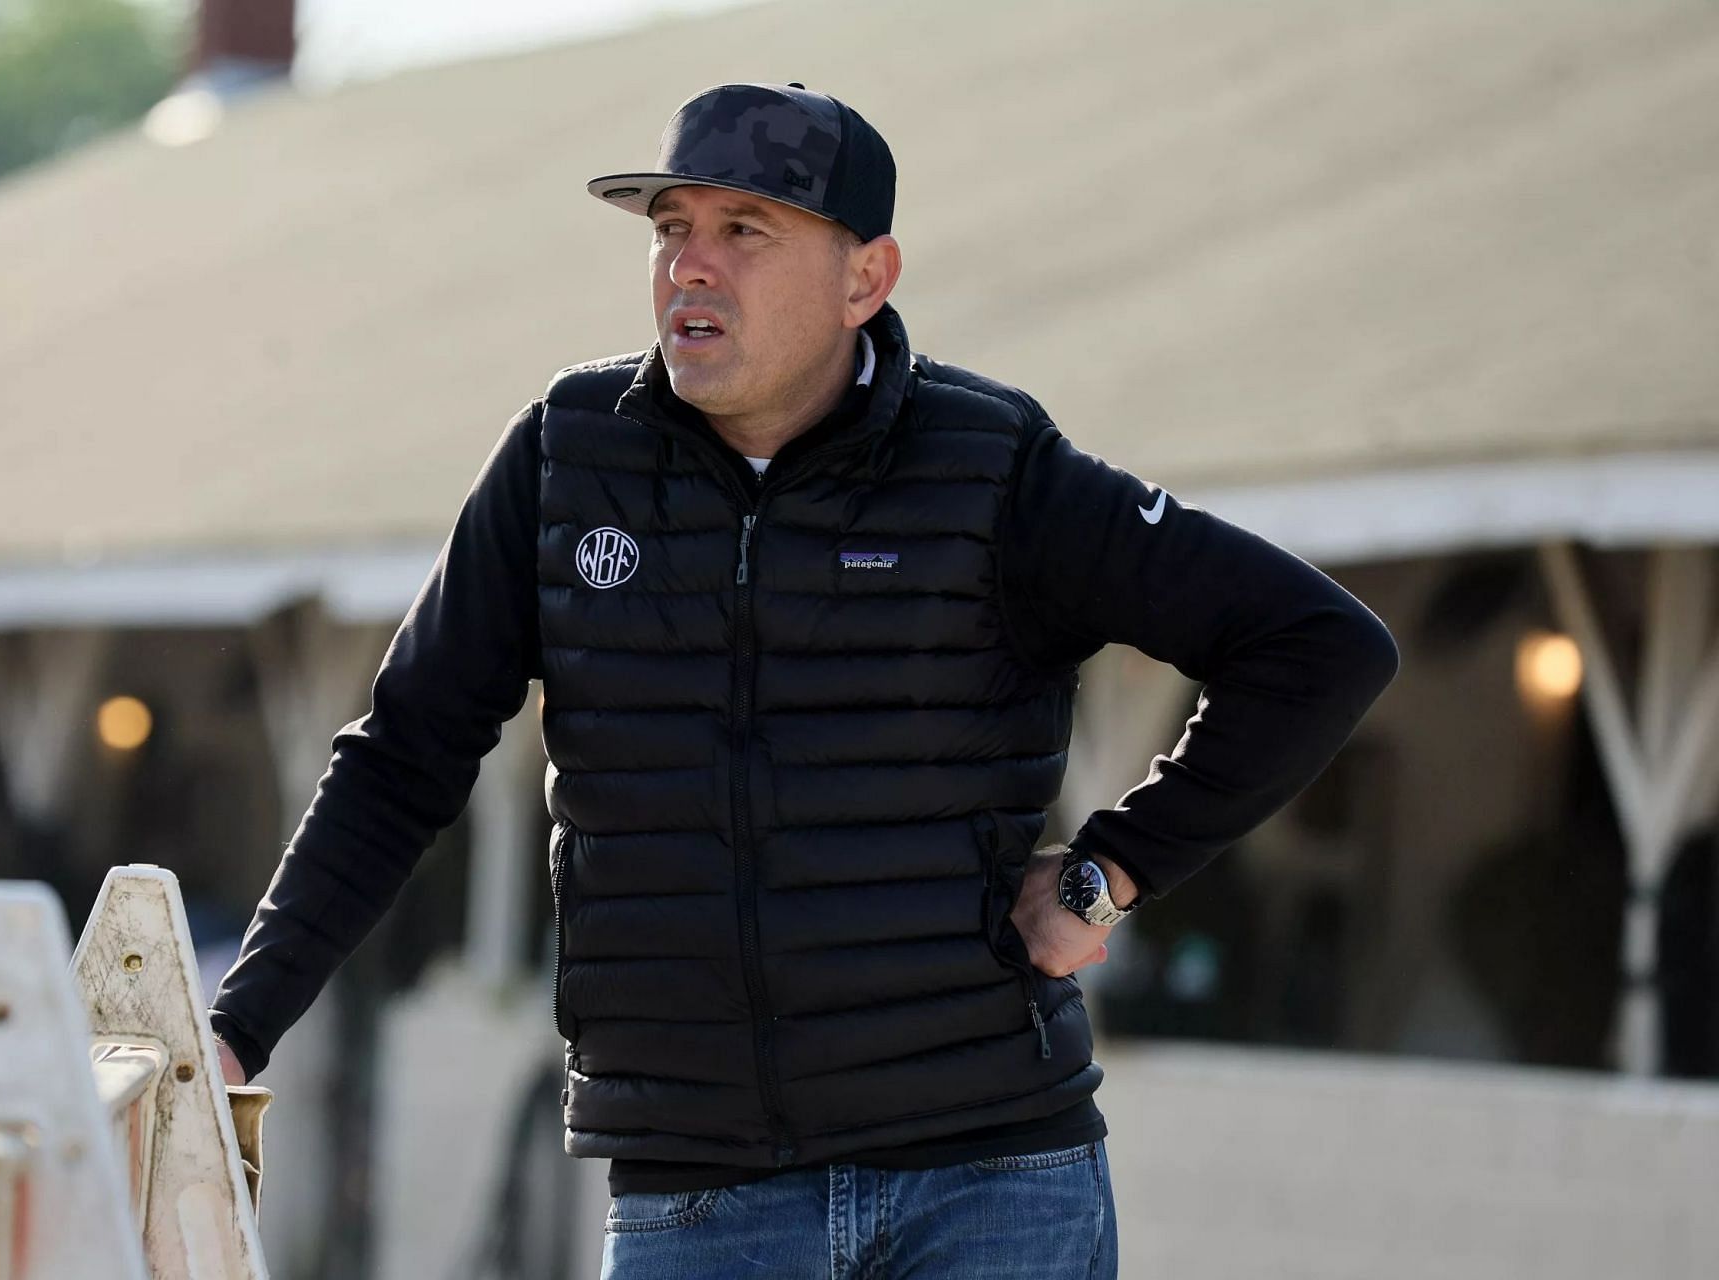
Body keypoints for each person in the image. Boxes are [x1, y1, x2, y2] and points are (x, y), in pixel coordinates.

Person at [207, 82, 1400, 1278]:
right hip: (700, 1198)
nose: (691, 266)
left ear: (864, 279)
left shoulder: (993, 469)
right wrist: (237, 1026)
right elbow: (402, 752)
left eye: (746, 231)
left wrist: (1113, 867)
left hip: (988, 1184)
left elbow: (1319, 644)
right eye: (672, 228)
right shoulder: (567, 458)